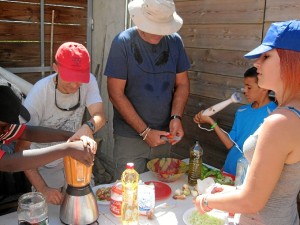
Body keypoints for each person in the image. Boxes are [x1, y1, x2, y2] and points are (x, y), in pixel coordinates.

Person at [194, 20, 300, 225]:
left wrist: (205, 200)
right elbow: (274, 190)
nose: (256, 63)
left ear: (291, 61)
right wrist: (233, 192)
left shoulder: (279, 122)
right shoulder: (292, 113)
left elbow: (252, 202)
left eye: (266, 56)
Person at [104, 0, 190, 180]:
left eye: (163, 28)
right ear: (140, 20)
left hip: (164, 135)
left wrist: (176, 117)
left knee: (159, 191)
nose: (159, 33)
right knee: (128, 193)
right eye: (155, 27)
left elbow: (182, 83)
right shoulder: (123, 43)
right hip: (129, 137)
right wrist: (144, 132)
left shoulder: (175, 42)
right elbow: (115, 93)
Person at [16, 42, 106, 205]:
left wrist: (87, 128)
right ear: (55, 68)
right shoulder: (39, 94)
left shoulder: (89, 81)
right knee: (52, 213)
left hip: (75, 158)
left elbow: (100, 115)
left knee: (84, 208)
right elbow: (21, 149)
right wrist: (43, 189)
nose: (74, 85)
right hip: (44, 165)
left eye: (79, 80)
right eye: (69, 79)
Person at [194, 67, 277, 175]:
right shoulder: (242, 111)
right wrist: (211, 122)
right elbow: (231, 145)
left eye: (249, 87)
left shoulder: (275, 114)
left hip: (249, 176)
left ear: (264, 88)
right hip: (229, 168)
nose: (244, 91)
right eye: (244, 86)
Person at [0, 78, 95, 172]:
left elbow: (28, 132)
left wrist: (73, 136)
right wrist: (68, 149)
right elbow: (9, 164)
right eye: (4, 126)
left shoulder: (4, 127)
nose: (7, 130)